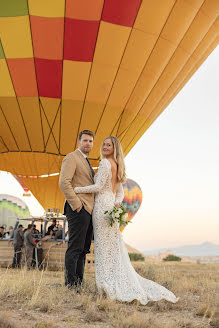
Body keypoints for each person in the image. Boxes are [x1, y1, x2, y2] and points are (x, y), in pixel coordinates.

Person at [74, 136, 178, 305]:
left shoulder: (105, 163)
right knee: (112, 249)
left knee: (103, 249)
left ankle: (107, 286)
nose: (105, 147)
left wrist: (77, 189)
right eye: (105, 144)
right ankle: (113, 282)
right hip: (110, 207)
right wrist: (115, 205)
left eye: (109, 145)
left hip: (101, 208)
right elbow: (120, 193)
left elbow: (99, 187)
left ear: (115, 148)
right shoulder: (118, 165)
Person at [59, 130, 95, 288]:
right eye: (85, 140)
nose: (88, 143)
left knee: (83, 249)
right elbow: (64, 182)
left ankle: (78, 283)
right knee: (75, 247)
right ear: (79, 141)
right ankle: (70, 284)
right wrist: (77, 205)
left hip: (88, 210)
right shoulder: (71, 157)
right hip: (78, 208)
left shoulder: (86, 160)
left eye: (91, 141)